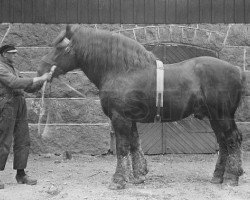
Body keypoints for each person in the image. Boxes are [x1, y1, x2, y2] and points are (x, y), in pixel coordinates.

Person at [0, 44, 52, 189]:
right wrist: (39, 78)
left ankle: (21, 174)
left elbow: (27, 87)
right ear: (4, 54)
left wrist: (43, 80)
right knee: (3, 140)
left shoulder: (14, 69)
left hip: (19, 104)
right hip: (6, 105)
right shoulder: (1, 68)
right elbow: (13, 82)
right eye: (12, 53)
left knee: (23, 139)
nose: (15, 55)